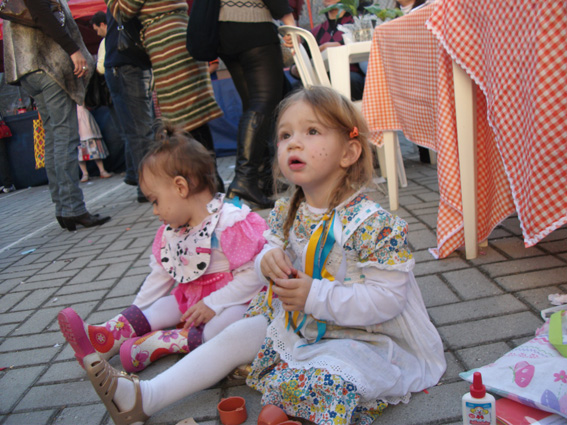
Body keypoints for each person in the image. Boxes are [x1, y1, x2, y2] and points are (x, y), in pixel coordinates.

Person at [74, 86, 446, 425]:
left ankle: (299, 400)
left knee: (330, 376)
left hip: (362, 336)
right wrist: (266, 259)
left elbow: (388, 299)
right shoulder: (289, 210)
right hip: (299, 322)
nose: (294, 143)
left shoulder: (371, 224)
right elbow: (270, 247)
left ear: (349, 152)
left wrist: (315, 295)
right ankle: (145, 396)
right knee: (235, 334)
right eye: (285, 135)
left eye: (311, 131)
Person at [58, 123, 268, 374]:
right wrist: (132, 316)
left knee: (227, 324)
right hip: (195, 304)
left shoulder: (229, 223)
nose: (155, 211)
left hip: (236, 301)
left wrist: (214, 303)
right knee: (162, 306)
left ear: (180, 187)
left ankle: (162, 343)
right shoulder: (171, 233)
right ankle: (108, 336)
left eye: (155, 201)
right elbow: (158, 280)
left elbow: (255, 275)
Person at [2, 0, 111, 231]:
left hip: (29, 67)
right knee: (64, 137)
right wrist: (73, 50)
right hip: (47, 63)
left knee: (54, 137)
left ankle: (63, 208)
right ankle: (73, 208)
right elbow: (43, 14)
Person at [104, 0, 225, 194]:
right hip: (180, 33)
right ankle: (211, 182)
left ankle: (207, 185)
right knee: (194, 118)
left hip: (167, 45)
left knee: (185, 122)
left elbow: (123, 10)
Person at [219, 0, 297, 209]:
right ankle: (244, 180)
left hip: (224, 30)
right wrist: (289, 21)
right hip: (253, 25)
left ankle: (262, 179)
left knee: (254, 104)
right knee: (264, 103)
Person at [92, 10, 156, 202]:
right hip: (130, 64)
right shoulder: (126, 7)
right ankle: (150, 186)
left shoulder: (113, 11)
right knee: (143, 131)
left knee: (134, 133)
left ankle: (143, 184)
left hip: (118, 67)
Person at [289, 0, 367, 101]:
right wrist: (296, 69)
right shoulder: (315, 33)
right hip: (322, 82)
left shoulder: (358, 23)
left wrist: (340, 46)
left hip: (352, 76)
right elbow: (296, 66)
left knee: (347, 80)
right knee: (296, 89)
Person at [77, 104, 113, 182]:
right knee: (79, 149)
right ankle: (85, 173)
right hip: (74, 122)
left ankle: (102, 170)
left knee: (93, 144)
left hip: (85, 119)